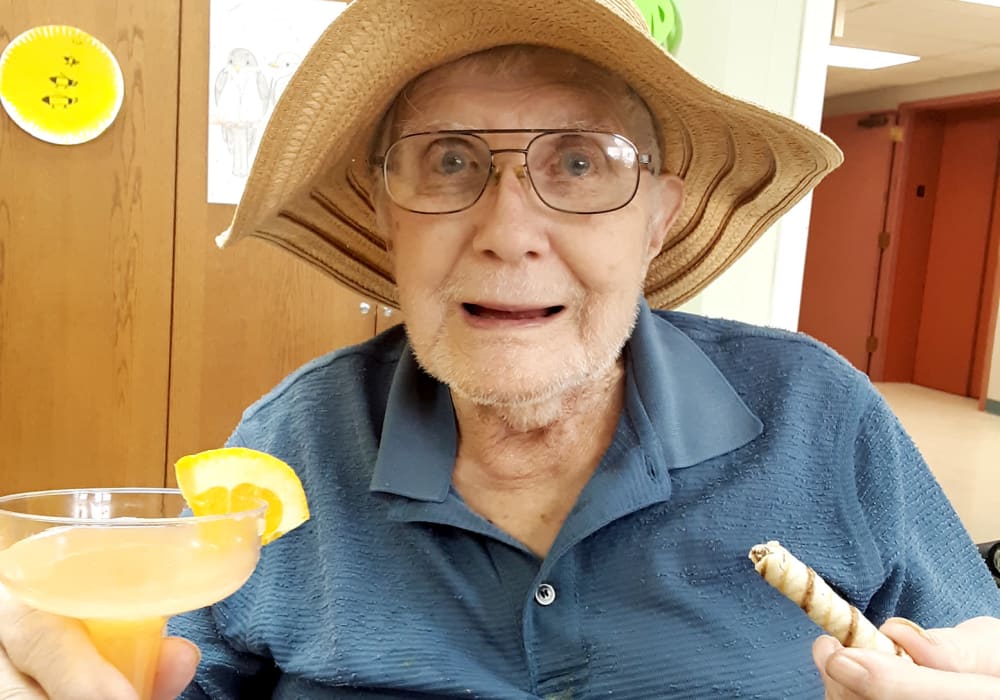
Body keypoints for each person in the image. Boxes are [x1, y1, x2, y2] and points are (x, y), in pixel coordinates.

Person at [2, 0, 999, 697]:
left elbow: (965, 651)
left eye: (579, 161)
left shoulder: (819, 416)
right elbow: (170, 673)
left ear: (659, 216)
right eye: (447, 162)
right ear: (387, 218)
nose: (508, 229)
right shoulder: (296, 437)